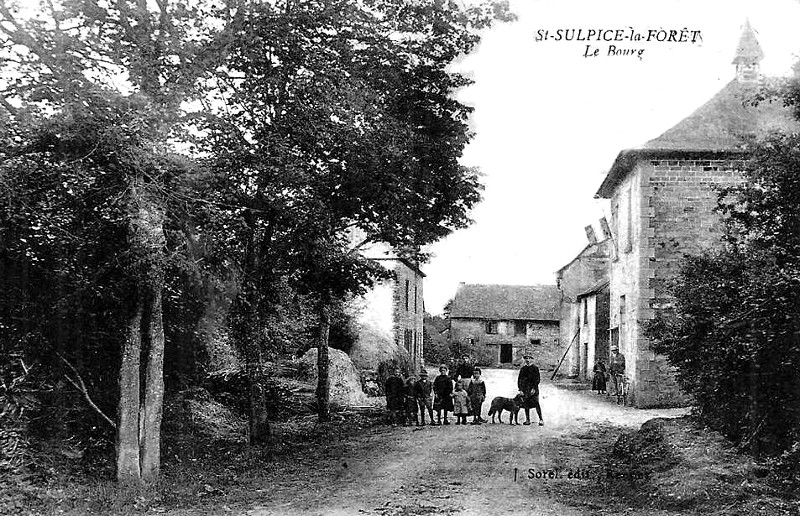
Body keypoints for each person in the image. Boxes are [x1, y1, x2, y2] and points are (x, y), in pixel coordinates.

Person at [517, 353, 544, 426]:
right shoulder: (523, 369)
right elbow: (519, 379)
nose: (527, 360)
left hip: (533, 390)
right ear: (524, 360)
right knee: (526, 404)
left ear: (532, 359)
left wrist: (534, 388)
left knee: (536, 404)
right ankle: (527, 420)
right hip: (525, 389)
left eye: (529, 358)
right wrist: (520, 390)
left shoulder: (535, 368)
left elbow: (537, 379)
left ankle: (541, 419)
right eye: (526, 358)